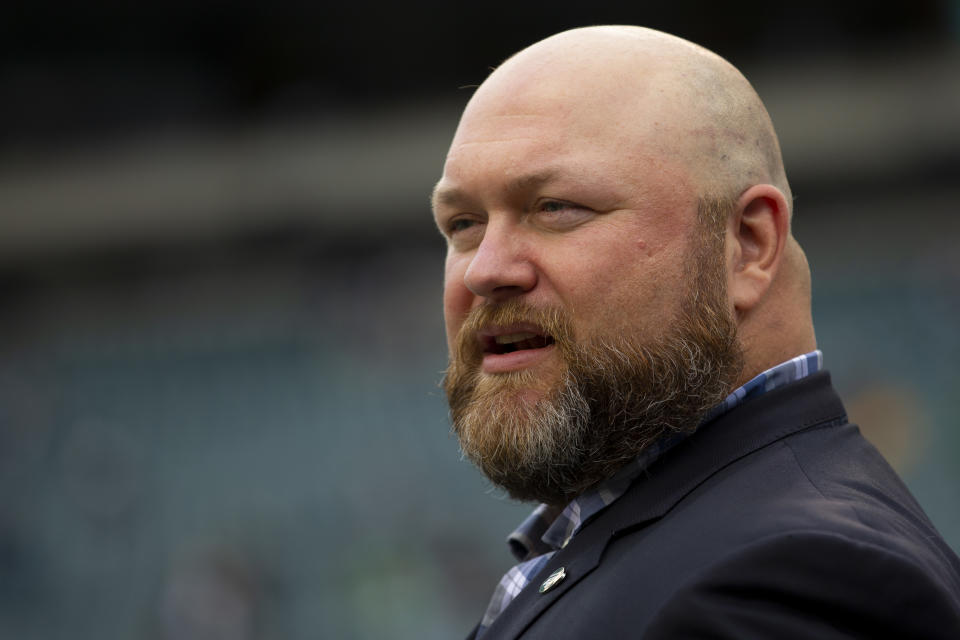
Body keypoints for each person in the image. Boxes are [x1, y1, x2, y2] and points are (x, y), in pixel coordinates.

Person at [431, 25, 960, 639]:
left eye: (556, 208)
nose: (486, 268)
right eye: (463, 223)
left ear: (748, 245)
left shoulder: (793, 580)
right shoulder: (644, 539)